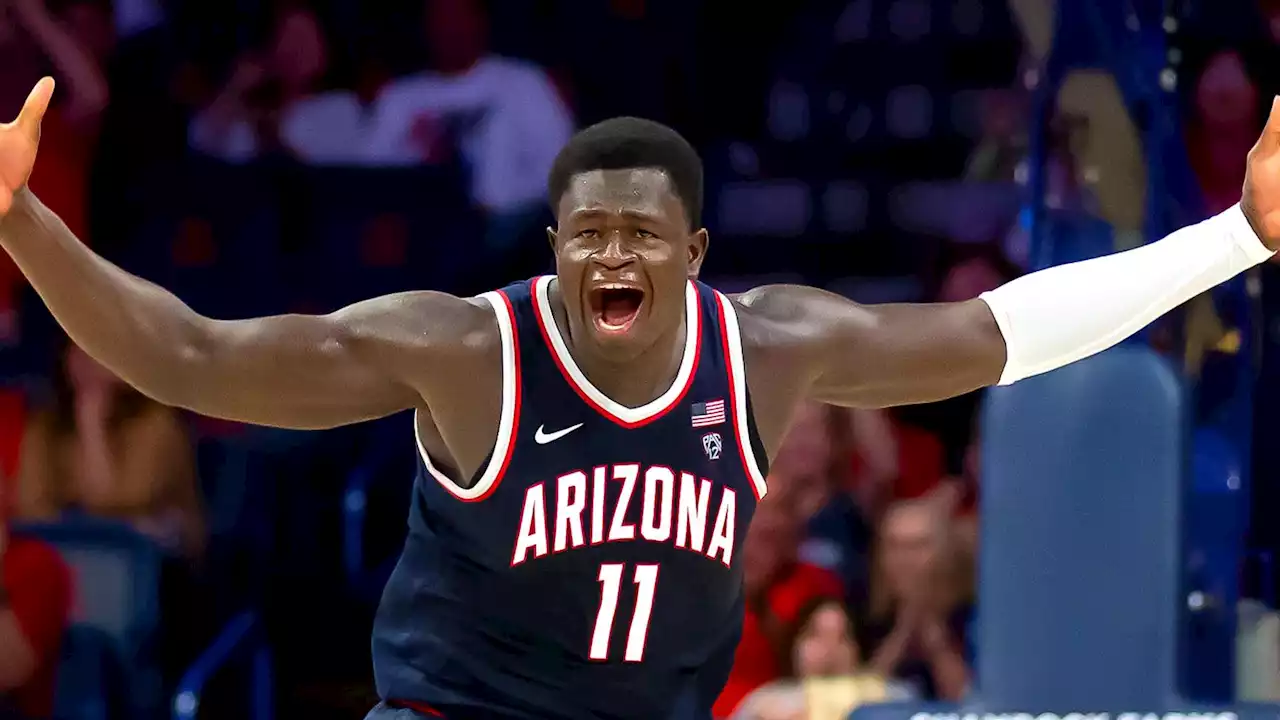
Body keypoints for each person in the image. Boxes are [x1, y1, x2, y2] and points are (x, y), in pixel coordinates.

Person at [0, 78, 1277, 719]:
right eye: (585, 233)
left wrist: (1237, 235)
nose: (610, 255)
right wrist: (21, 221)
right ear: (551, 247)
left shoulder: (768, 348)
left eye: (640, 234)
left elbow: (1000, 333)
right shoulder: (466, 354)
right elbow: (193, 359)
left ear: (694, 255)